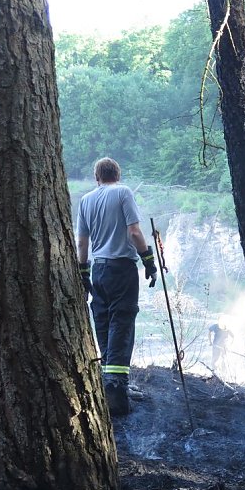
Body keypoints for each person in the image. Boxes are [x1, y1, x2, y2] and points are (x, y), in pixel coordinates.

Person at [76, 157, 157, 417]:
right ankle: (116, 390)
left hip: (98, 268)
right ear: (117, 175)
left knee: (103, 319)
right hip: (122, 267)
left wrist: (83, 272)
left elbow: (81, 242)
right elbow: (134, 232)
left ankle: (107, 383)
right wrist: (148, 260)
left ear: (96, 177)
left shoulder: (86, 200)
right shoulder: (123, 192)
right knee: (122, 321)